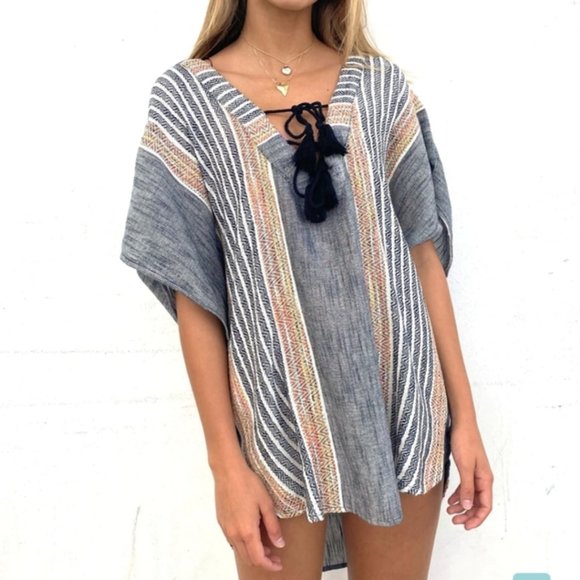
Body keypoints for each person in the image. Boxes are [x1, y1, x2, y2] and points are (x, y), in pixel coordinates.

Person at [119, 0, 494, 577]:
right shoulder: (186, 102)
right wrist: (226, 465)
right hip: (276, 413)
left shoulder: (381, 88)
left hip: (401, 405)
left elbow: (423, 259)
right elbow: (194, 291)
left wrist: (465, 420)